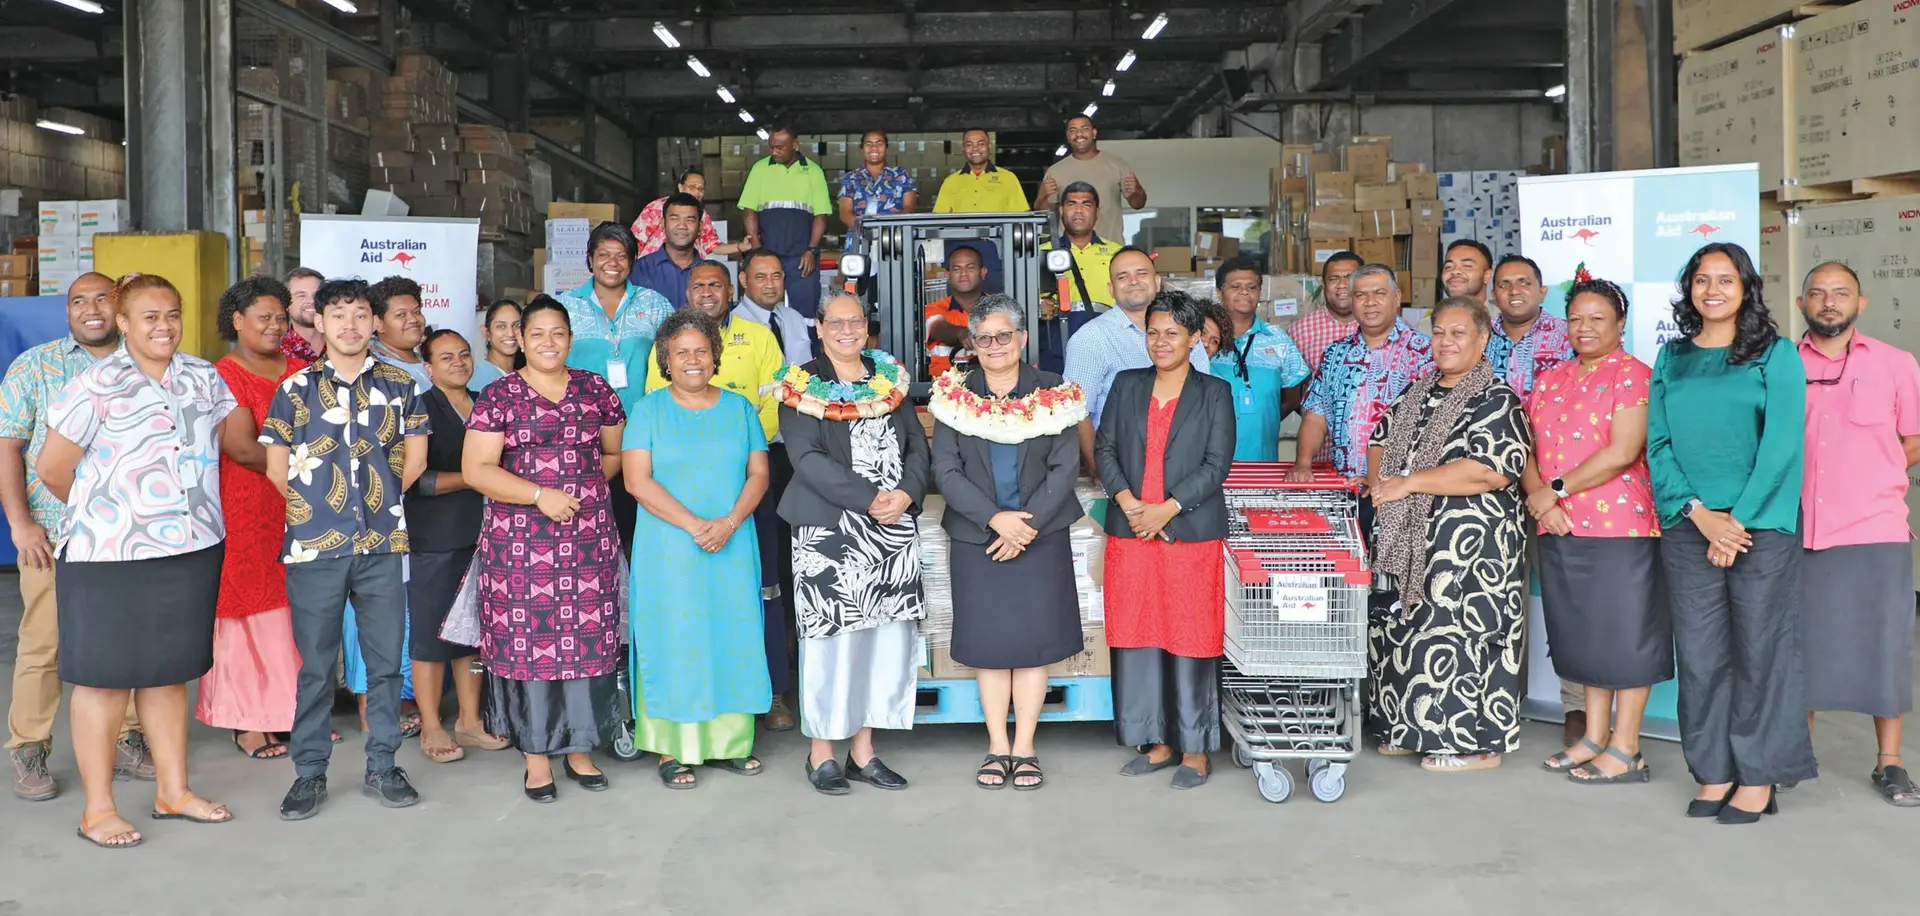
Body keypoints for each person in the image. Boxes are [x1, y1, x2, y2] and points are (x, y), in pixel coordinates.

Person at [36, 273, 238, 846]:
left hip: (191, 548)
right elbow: (53, 468)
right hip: (108, 555)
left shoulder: (202, 377)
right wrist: (110, 513)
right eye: (149, 316)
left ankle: (173, 792)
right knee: (102, 681)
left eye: (172, 314)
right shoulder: (96, 383)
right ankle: (98, 810)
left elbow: (219, 446)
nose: (164, 326)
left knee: (168, 673)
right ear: (123, 323)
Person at [1646, 242, 1814, 824]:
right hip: (1690, 526)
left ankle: (1759, 775)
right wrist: (1700, 514)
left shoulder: (1776, 354)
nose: (1712, 290)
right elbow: (1658, 445)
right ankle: (1714, 769)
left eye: (1725, 279)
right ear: (1689, 289)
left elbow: (1782, 445)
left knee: (1761, 652)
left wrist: (1735, 522)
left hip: (1759, 527)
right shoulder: (1671, 358)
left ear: (1745, 289)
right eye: (1701, 279)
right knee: (1700, 654)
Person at [261, 277, 430, 820]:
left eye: (360, 315)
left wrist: (377, 505)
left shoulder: (402, 384)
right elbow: (277, 469)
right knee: (315, 666)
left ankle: (383, 764)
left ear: (375, 323)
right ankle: (309, 773)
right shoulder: (295, 388)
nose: (350, 325)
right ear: (320, 322)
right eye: (338, 315)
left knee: (385, 663)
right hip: (314, 548)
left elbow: (416, 460)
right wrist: (320, 513)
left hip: (384, 543)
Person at [460, 297, 625, 801]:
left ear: (570, 339)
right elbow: (476, 470)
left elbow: (612, 452)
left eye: (558, 333)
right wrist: (540, 496)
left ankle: (580, 749)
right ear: (520, 340)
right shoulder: (499, 395)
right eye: (537, 334)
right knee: (529, 646)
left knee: (587, 643)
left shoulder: (595, 388)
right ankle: (536, 757)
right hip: (520, 544)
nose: (548, 342)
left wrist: (583, 491)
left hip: (587, 541)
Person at [2, 272, 153, 800]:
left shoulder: (145, 364)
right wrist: (21, 524)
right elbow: (8, 445)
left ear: (120, 307)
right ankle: (29, 746)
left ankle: (129, 738)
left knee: (127, 638)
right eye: (78, 301)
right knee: (44, 643)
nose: (90, 309)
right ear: (67, 312)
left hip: (132, 534)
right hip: (53, 533)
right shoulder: (36, 365)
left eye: (102, 298)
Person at [931, 293, 1089, 790]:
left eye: (1004, 336)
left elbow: (1066, 466)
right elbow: (946, 470)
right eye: (984, 339)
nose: (995, 345)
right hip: (977, 536)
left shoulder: (1054, 389)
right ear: (972, 344)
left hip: (1041, 534)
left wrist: (1026, 526)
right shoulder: (954, 393)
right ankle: (998, 746)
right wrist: (996, 520)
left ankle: (1026, 748)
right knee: (991, 645)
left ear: (1022, 338)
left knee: (1034, 645)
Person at [1367, 296, 1531, 773]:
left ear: (1482, 339)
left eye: (1459, 333)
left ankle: (1476, 744)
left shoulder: (1497, 398)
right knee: (1407, 632)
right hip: (1408, 537)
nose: (1446, 341)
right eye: (1439, 332)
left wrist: (1409, 483)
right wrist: (1383, 487)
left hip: (1471, 549)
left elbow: (1490, 470)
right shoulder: (1418, 390)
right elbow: (1380, 439)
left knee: (1461, 635)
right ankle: (1410, 728)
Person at [1520, 273, 1671, 784]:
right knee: (1583, 635)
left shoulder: (1633, 375)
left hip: (1621, 529)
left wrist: (1554, 490)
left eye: (1597, 318)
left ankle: (1627, 749)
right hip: (1560, 527)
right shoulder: (1551, 378)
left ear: (1620, 323)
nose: (1584, 327)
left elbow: (1622, 451)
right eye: (1575, 318)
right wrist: (1542, 502)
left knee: (1625, 637)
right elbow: (1527, 448)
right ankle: (1593, 736)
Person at [776, 294, 930, 795]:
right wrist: (870, 498)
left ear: (867, 327)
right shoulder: (800, 383)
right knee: (831, 641)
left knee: (884, 640)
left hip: (893, 528)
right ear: (819, 328)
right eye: (836, 322)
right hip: (831, 532)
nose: (847, 329)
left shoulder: (889, 377)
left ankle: (864, 751)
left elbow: (916, 444)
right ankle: (822, 753)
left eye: (856, 320)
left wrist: (906, 493)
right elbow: (806, 458)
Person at [624, 310, 774, 788]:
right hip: (669, 548)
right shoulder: (647, 410)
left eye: (701, 351)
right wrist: (695, 526)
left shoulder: (740, 408)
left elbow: (759, 474)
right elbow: (636, 481)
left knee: (732, 633)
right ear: (665, 360)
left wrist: (728, 522)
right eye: (681, 352)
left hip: (732, 541)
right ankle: (673, 747)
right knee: (675, 637)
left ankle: (731, 743)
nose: (692, 360)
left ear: (715, 356)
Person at [1093, 289, 1235, 789]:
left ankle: (1195, 749)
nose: (1161, 342)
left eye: (1172, 333)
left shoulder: (1214, 392)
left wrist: (1166, 509)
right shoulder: (1126, 384)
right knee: (1138, 632)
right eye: (1153, 332)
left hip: (1189, 534)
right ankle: (1155, 741)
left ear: (1195, 337)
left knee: (1190, 634)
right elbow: (1105, 448)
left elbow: (1217, 464)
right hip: (1131, 532)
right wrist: (1129, 502)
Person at [1794, 261, 1920, 807]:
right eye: (1818, 293)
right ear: (1801, 304)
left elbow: (1914, 437)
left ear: (1860, 303)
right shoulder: (1779, 364)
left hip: (1875, 527)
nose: (1829, 301)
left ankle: (1890, 762)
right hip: (1799, 528)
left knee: (1883, 644)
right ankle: (1795, 754)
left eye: (1841, 293)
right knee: (1800, 643)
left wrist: (1875, 469)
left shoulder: (1895, 364)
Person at [646, 261, 792, 726]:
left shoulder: (759, 337)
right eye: (699, 285)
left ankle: (772, 692)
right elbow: (661, 407)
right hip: (680, 491)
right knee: (685, 603)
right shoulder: (667, 346)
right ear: (687, 291)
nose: (707, 291)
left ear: (732, 290)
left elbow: (776, 398)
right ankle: (685, 714)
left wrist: (738, 437)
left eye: (716, 284)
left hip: (747, 477)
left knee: (762, 587)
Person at [199, 277, 307, 761]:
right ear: (237, 320)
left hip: (303, 506)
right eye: (264, 317)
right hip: (249, 505)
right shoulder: (224, 374)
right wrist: (310, 467)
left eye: (281, 317)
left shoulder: (304, 369)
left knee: (297, 607)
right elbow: (241, 447)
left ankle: (292, 713)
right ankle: (246, 720)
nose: (275, 326)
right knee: (249, 608)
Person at [406, 329, 510, 764]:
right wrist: (475, 476)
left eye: (464, 355)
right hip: (435, 536)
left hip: (488, 532)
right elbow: (417, 479)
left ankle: (469, 720)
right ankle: (432, 725)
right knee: (431, 634)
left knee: (474, 632)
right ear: (427, 367)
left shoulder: (487, 403)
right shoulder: (419, 407)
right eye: (446, 357)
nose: (458, 363)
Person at [1062, 247, 1209, 474]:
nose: (1133, 281)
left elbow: (1204, 405)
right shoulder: (1091, 338)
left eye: (1141, 273)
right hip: (1122, 471)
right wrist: (1103, 474)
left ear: (1157, 283)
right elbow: (1077, 413)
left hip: (1184, 469)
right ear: (1111, 289)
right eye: (1123, 277)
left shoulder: (1186, 334)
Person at [1291, 265, 1434, 487]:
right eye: (1360, 295)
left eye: (1379, 293)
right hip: (1344, 485)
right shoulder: (1335, 353)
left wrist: (1378, 477)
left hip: (1400, 488)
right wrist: (1303, 464)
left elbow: (1433, 425)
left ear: (1397, 297)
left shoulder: (1424, 352)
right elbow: (1316, 416)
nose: (1369, 302)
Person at [557, 221, 676, 417]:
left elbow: (678, 354)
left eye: (621, 256)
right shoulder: (565, 306)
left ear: (632, 262)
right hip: (580, 421)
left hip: (643, 419)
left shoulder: (654, 303)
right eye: (604, 255)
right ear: (590, 260)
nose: (613, 263)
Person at [1211, 256, 1309, 461]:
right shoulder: (1203, 338)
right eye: (1235, 286)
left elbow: (1293, 396)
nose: (1244, 292)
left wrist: (1263, 420)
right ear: (1219, 292)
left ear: (1259, 293)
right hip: (1209, 457)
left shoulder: (1278, 338)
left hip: (1261, 455)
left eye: (1252, 287)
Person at [739, 124, 834, 320]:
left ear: (795, 145)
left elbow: (821, 215)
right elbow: (749, 210)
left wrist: (811, 250)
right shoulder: (760, 169)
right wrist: (756, 249)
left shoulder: (813, 171)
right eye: (772, 146)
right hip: (767, 253)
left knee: (806, 312)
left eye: (780, 147)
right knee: (760, 308)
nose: (775, 151)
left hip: (802, 256)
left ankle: (806, 341)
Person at [1035, 114, 1145, 244]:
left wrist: (1137, 191)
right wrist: (1043, 196)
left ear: (1094, 133)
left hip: (1110, 248)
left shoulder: (1117, 165)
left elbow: (1138, 204)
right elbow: (1043, 214)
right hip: (1069, 250)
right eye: (1073, 130)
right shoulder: (1055, 171)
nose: (1079, 134)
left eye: (1084, 128)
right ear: (1068, 137)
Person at [1486, 255, 1572, 397]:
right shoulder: (1478, 336)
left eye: (1524, 283)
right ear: (1494, 295)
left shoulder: (1568, 335)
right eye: (1504, 285)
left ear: (1542, 293)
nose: (1514, 291)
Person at [629, 167, 746, 260]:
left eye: (701, 189)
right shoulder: (657, 207)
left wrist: (741, 246)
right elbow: (636, 239)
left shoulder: (702, 215)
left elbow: (712, 245)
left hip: (688, 271)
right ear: (680, 187)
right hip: (654, 268)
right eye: (692, 187)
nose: (697, 192)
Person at [1041, 182, 1121, 312]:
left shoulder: (1118, 253)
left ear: (1097, 212)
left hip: (1109, 324)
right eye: (1071, 204)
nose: (1078, 210)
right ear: (1061, 210)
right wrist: (1038, 306)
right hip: (1059, 324)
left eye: (1086, 204)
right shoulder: (1041, 252)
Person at [838, 130, 919, 247]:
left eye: (879, 143)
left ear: (886, 148)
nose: (874, 148)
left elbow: (909, 207)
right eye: (868, 144)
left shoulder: (901, 175)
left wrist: (888, 232)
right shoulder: (851, 178)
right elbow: (845, 214)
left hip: (894, 242)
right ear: (861, 149)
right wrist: (866, 234)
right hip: (859, 242)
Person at [736, 248, 816, 366]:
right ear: (744, 280)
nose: (770, 284)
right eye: (760, 277)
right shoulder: (734, 324)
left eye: (776, 276)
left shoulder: (794, 318)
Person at [1289, 251, 1363, 374]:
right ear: (1324, 284)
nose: (1342, 285)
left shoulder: (1387, 328)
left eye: (1350, 278)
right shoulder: (1299, 331)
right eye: (1334, 279)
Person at [924, 244, 989, 377]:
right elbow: (937, 329)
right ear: (948, 275)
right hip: (941, 385)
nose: (963, 273)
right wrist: (961, 334)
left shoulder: (999, 307)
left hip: (991, 384)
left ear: (983, 272)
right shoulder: (935, 308)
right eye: (956, 269)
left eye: (970, 267)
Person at [631, 193, 704, 310]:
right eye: (674, 219)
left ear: (700, 227)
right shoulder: (640, 269)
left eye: (690, 220)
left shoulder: (709, 272)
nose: (682, 226)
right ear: (663, 224)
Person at [935, 129, 1030, 214]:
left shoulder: (1008, 178)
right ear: (963, 149)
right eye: (969, 145)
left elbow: (1021, 216)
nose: (975, 148)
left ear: (989, 146)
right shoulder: (950, 181)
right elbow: (939, 219)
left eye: (980, 144)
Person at [368, 275, 431, 393]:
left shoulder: (430, 356)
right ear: (379, 324)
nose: (413, 319)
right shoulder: (373, 370)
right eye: (401, 314)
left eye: (417, 312)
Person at [469, 298, 521, 390]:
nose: (511, 333)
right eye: (501, 326)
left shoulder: (517, 375)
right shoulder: (482, 379)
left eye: (517, 325)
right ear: (486, 333)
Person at [282, 267, 325, 362]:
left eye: (316, 295)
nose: (311, 301)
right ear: (286, 304)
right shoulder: (275, 354)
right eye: (301, 296)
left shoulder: (343, 344)